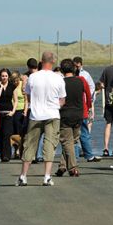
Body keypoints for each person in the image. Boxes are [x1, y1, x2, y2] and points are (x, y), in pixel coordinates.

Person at [17, 51, 66, 187]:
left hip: (36, 114)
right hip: (52, 114)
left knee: (30, 144)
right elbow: (62, 100)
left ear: (41, 61)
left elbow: (28, 96)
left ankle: (23, 176)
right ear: (53, 61)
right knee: (50, 144)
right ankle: (47, 176)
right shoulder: (58, 78)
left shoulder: (32, 77)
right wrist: (57, 106)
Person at [55, 59, 85, 177]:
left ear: (62, 70)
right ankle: (62, 166)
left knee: (67, 142)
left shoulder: (61, 83)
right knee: (71, 142)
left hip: (65, 115)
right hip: (78, 115)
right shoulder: (80, 82)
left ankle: (73, 167)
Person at [73, 56, 101, 162]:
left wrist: (89, 105)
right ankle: (76, 156)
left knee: (80, 133)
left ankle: (87, 155)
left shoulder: (84, 77)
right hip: (80, 109)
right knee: (79, 133)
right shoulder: (81, 80)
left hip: (78, 109)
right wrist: (88, 106)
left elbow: (90, 91)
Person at [0, 68, 16, 162]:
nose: (4, 78)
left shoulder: (12, 86)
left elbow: (15, 100)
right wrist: (1, 88)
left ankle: (7, 155)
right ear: (0, 76)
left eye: (6, 76)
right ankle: (1, 154)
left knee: (7, 134)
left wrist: (13, 111)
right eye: (2, 76)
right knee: (0, 134)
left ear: (8, 77)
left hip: (8, 113)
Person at [11, 71, 27, 139]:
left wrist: (25, 111)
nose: (15, 82)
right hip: (12, 110)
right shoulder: (11, 85)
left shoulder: (22, 85)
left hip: (20, 110)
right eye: (13, 81)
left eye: (16, 80)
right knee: (13, 132)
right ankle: (15, 148)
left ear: (19, 78)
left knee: (19, 131)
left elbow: (26, 100)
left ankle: (20, 147)